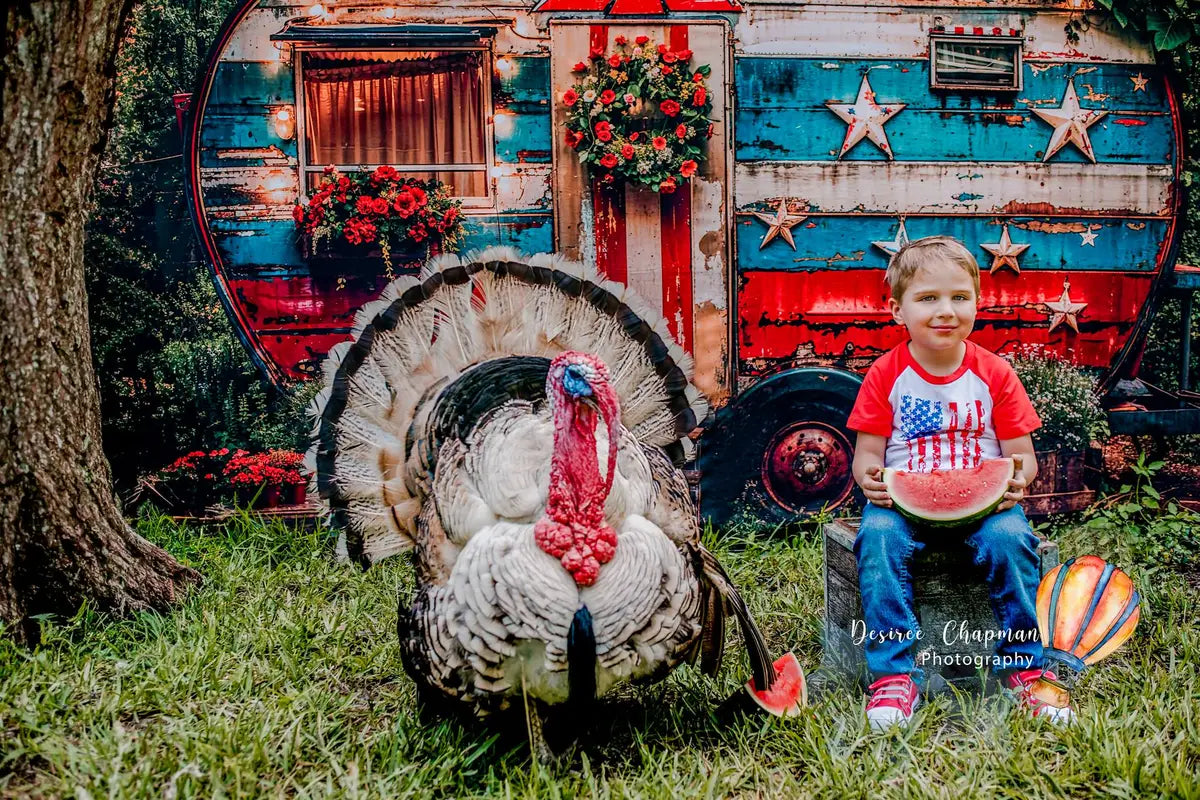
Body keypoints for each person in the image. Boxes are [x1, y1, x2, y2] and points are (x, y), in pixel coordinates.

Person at [846, 235, 1072, 731]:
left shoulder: (995, 373)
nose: (945, 310)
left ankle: (1025, 668)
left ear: (976, 302)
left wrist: (1016, 485)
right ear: (896, 310)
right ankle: (893, 676)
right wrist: (870, 481)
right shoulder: (885, 375)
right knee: (877, 539)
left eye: (959, 297)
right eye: (927, 298)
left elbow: (1021, 459)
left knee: (1012, 540)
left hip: (988, 507)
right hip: (899, 503)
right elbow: (867, 454)